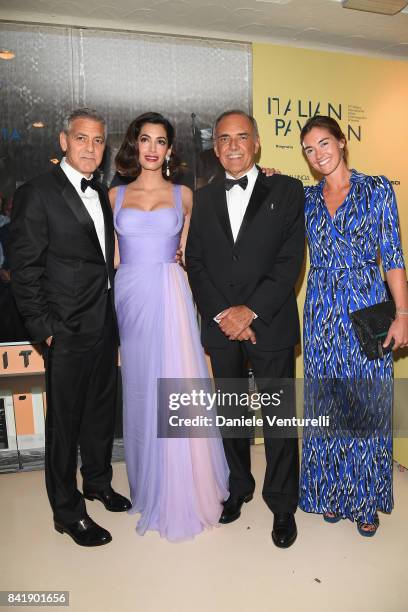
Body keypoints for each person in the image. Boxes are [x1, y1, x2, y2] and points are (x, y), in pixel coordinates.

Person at [10, 108, 131, 547]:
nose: (91, 148)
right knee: (64, 424)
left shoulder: (100, 193)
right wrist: (45, 330)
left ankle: (97, 482)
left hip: (103, 323)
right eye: (82, 139)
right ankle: (67, 511)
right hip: (64, 329)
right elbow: (23, 269)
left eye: (99, 141)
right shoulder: (37, 193)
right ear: (63, 140)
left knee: (101, 413)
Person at [186, 110, 305, 548]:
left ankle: (282, 504)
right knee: (232, 415)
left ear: (256, 142)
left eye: (242, 137)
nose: (233, 146)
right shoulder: (203, 198)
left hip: (269, 322)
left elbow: (291, 260)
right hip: (221, 328)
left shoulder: (288, 190)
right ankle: (239, 488)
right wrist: (224, 314)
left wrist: (249, 311)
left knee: (278, 418)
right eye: (224, 139)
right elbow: (195, 262)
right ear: (215, 148)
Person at [109, 112, 229, 542]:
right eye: (145, 139)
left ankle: (182, 486)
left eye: (161, 141)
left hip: (170, 293)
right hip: (129, 295)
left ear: (170, 149)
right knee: (140, 390)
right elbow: (112, 259)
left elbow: (190, 251)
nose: (153, 148)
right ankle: (147, 485)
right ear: (134, 145)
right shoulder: (114, 196)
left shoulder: (185, 195)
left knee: (173, 385)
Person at [298, 115, 408, 536]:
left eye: (324, 143)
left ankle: (364, 499)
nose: (318, 154)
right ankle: (331, 491)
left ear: (342, 142)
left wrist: (402, 314)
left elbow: (393, 255)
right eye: (309, 149)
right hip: (322, 308)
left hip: (365, 303)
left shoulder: (376, 188)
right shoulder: (306, 199)